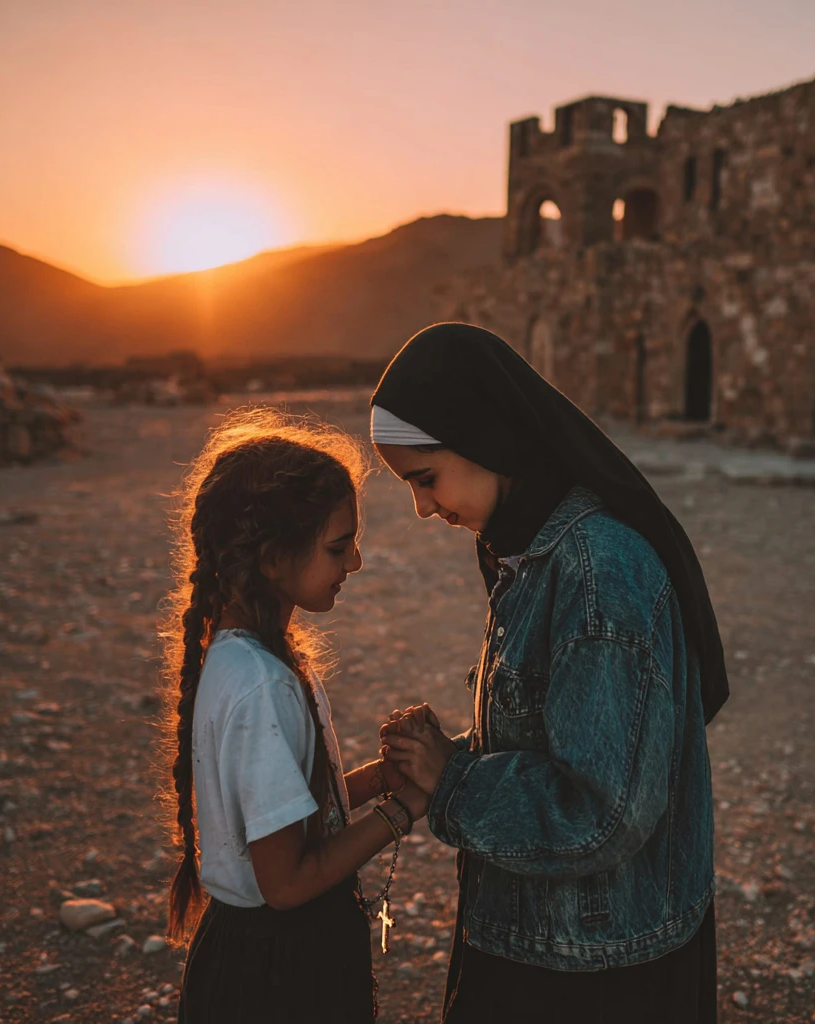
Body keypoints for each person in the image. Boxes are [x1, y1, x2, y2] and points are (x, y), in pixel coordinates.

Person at [373, 323, 729, 1024]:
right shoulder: (531, 550)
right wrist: (449, 759)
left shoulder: (598, 575)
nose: (421, 509)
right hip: (557, 938)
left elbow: (602, 812)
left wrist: (453, 779)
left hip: (595, 971)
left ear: (484, 437)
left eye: (426, 479)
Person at [162, 408, 429, 1024]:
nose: (355, 564)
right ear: (273, 558)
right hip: (281, 973)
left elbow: (285, 818)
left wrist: (382, 777)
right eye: (339, 547)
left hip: (250, 953)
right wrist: (405, 809)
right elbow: (286, 882)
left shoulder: (240, 656)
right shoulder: (262, 687)